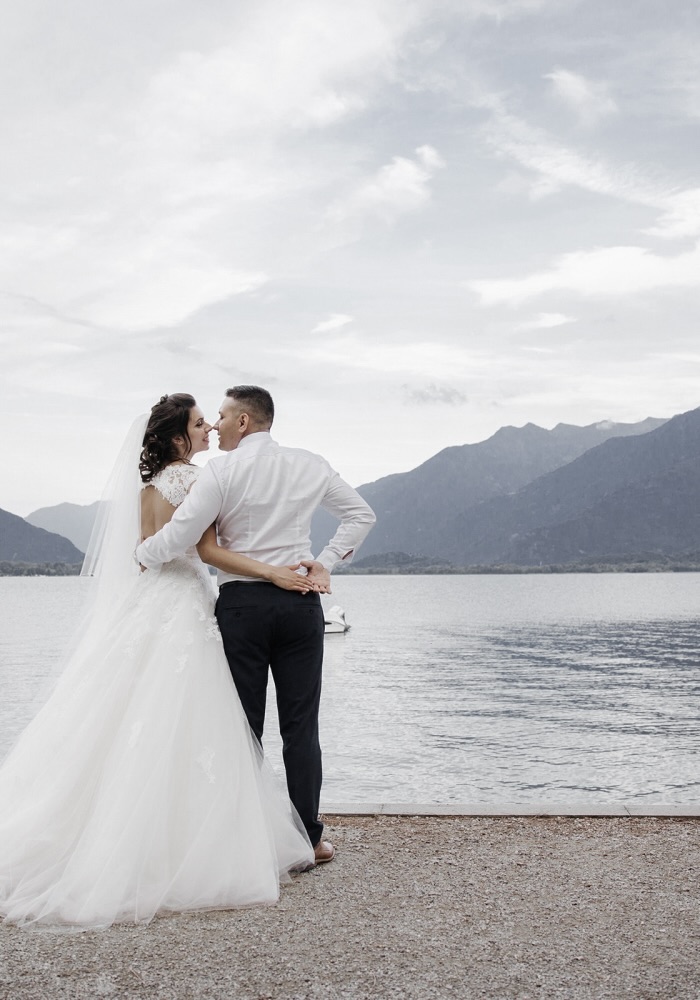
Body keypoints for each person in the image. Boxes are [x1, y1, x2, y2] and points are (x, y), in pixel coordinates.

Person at [0, 393, 315, 929]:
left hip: (151, 603)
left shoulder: (145, 488)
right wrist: (275, 571)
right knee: (190, 714)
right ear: (177, 438)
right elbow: (209, 551)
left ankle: (107, 826)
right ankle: (188, 841)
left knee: (126, 709)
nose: (209, 430)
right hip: (187, 600)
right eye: (199, 424)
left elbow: (146, 549)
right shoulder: (195, 482)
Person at [136, 385, 376, 863]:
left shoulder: (222, 470)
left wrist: (143, 554)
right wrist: (324, 562)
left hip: (242, 607)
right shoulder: (310, 463)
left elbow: (184, 535)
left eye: (222, 416)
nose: (216, 425)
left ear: (243, 422)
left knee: (243, 726)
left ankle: (242, 837)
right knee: (302, 727)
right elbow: (360, 515)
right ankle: (309, 838)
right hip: (300, 605)